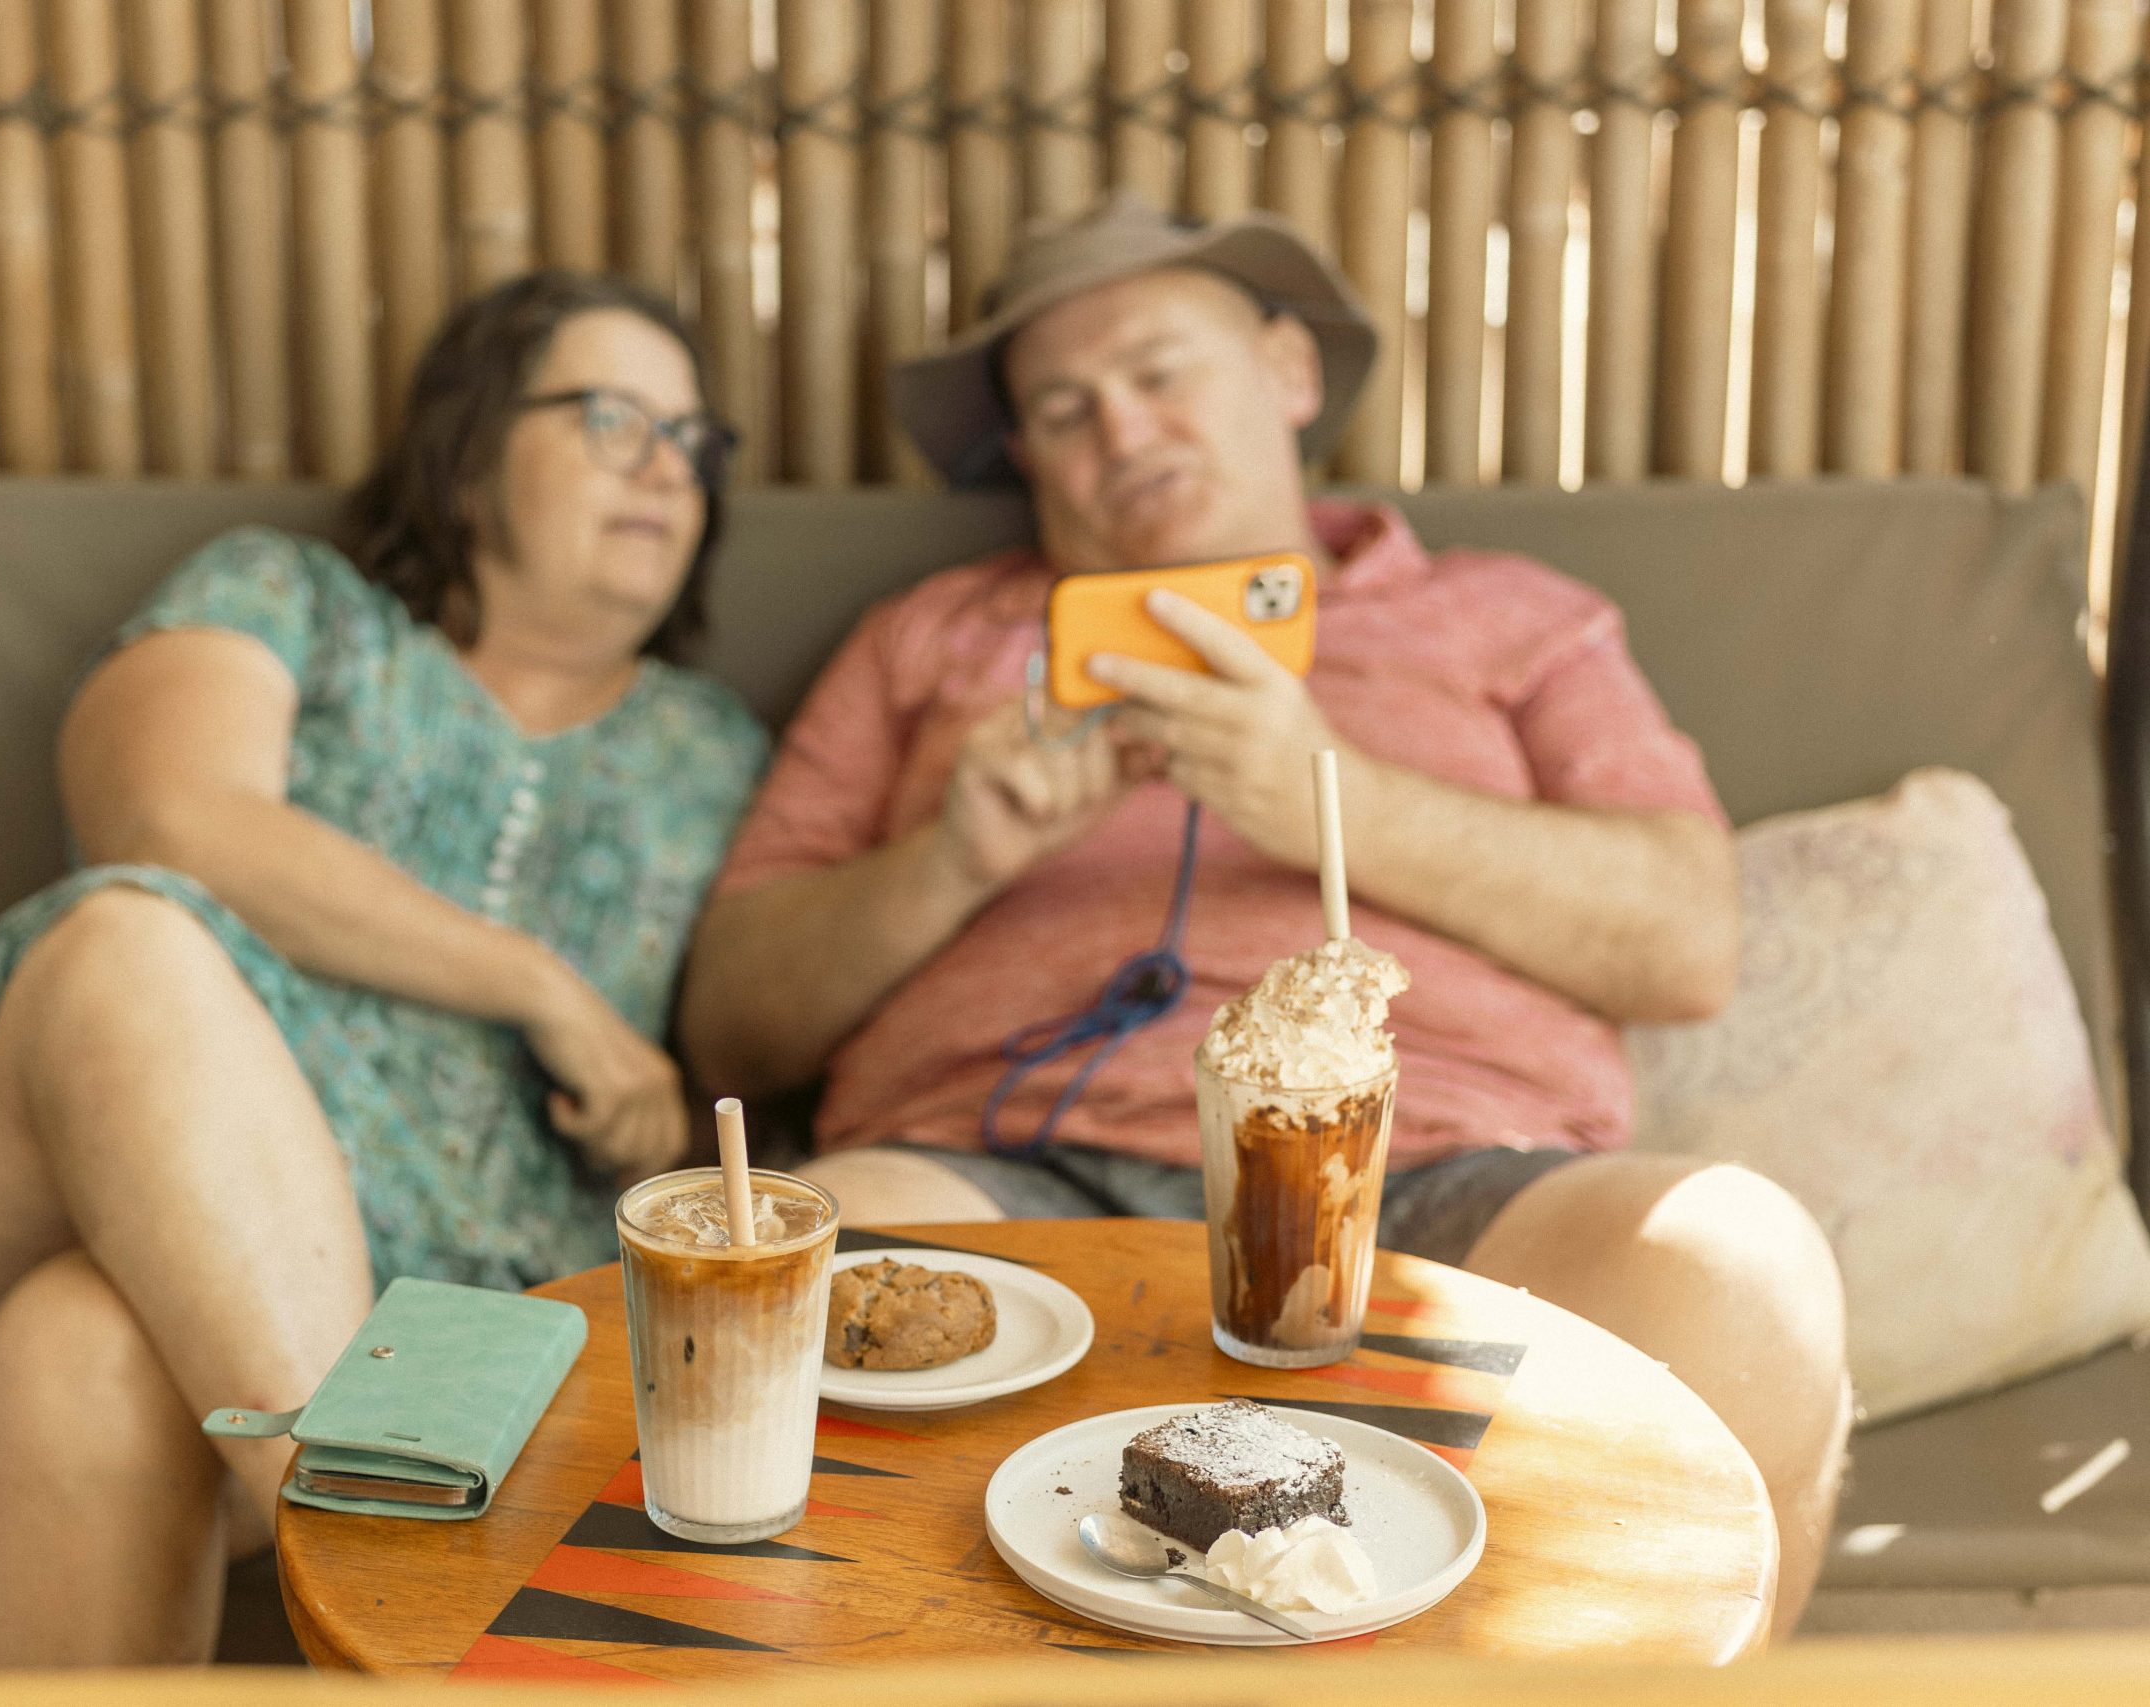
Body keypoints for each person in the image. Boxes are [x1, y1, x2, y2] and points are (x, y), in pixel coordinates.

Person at [680, 193, 1849, 1634]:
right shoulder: (926, 639)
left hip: (1448, 1186)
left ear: (1290, 374)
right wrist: (950, 863)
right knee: (786, 1273)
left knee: (1741, 1264)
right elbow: (729, 1017)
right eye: (1064, 409)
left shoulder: (1509, 616)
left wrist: (1338, 797)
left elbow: (1689, 938)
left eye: (1162, 373)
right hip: (1004, 1178)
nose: (1122, 433)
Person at [0, 272, 765, 1665]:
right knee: (127, 939)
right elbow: (168, 813)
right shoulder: (284, 596)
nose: (667, 467)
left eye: (695, 440)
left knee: (85, 1348)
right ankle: (411, 1585)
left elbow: (768, 1042)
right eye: (613, 418)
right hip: (13, 1199)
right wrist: (549, 992)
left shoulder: (722, 755)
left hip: (456, 1304)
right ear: (467, 453)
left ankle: (374, 1528)